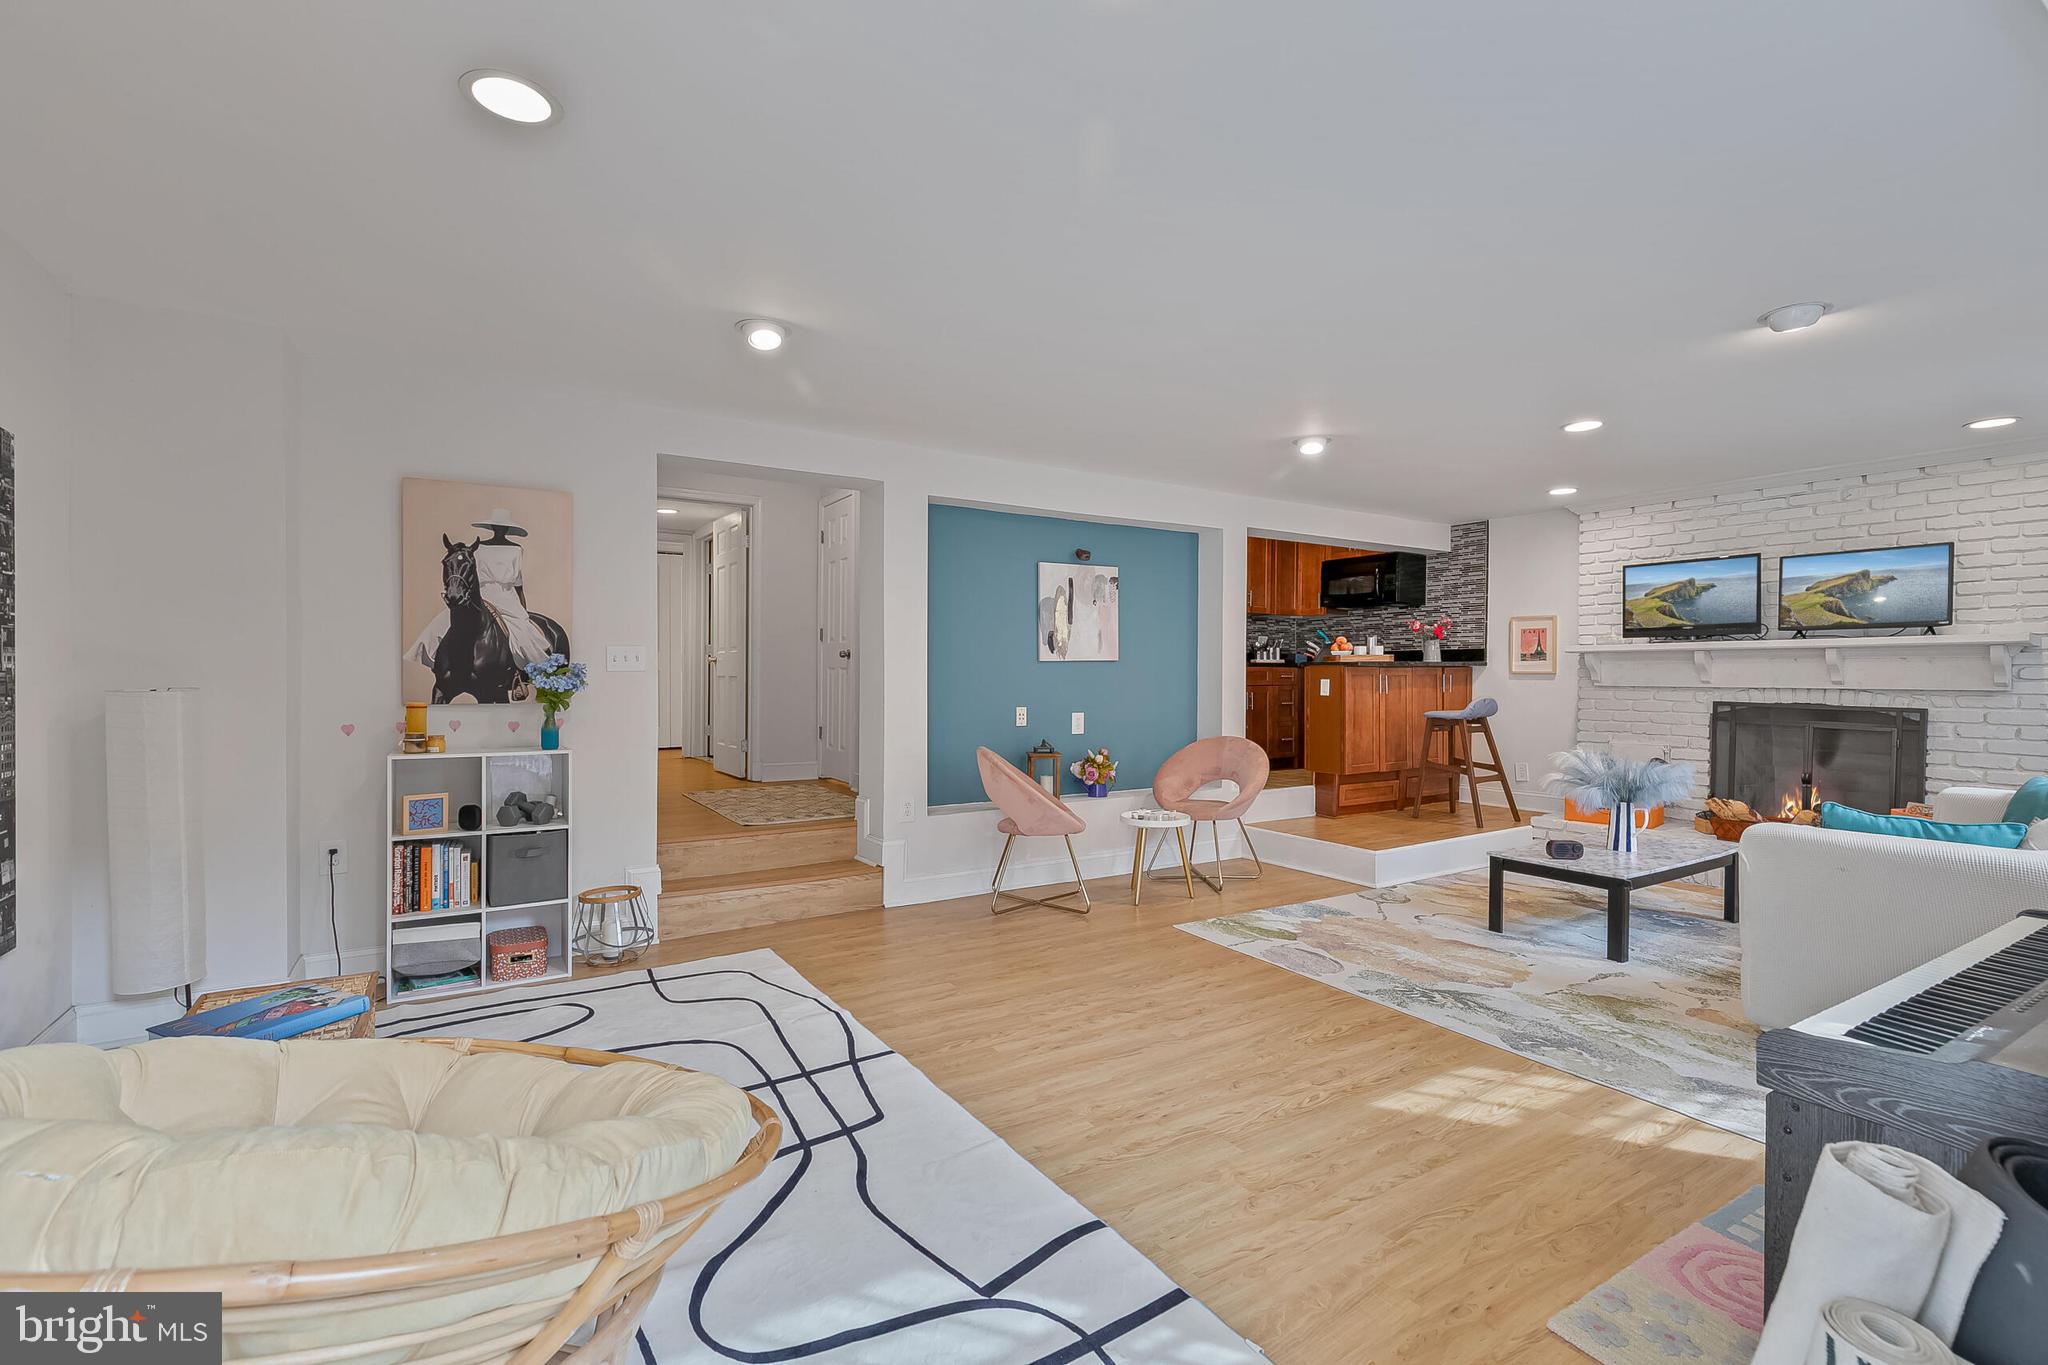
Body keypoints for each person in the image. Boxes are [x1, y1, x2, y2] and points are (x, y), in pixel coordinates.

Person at [406, 508, 560, 685]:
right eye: (497, 526)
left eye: (503, 527)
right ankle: (441, 665)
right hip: (481, 594)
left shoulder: (516, 550)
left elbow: (518, 583)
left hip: (506, 597)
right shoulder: (478, 548)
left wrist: (522, 610)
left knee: (524, 636)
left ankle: (521, 674)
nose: (500, 530)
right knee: (440, 624)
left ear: (507, 529)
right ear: (492, 527)